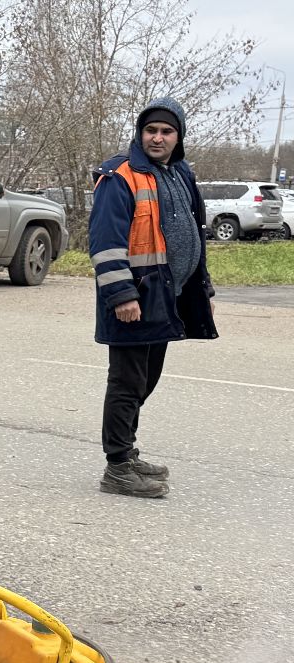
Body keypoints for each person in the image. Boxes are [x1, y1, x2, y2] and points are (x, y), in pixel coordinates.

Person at [89, 97, 217, 498]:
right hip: (135, 297)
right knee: (127, 381)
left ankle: (127, 453)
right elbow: (105, 242)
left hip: (168, 295)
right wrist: (122, 294)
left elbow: (196, 237)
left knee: (148, 378)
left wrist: (204, 291)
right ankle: (117, 467)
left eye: (166, 131)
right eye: (150, 130)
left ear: (178, 137)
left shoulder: (180, 173)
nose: (157, 138)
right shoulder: (120, 175)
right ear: (140, 133)